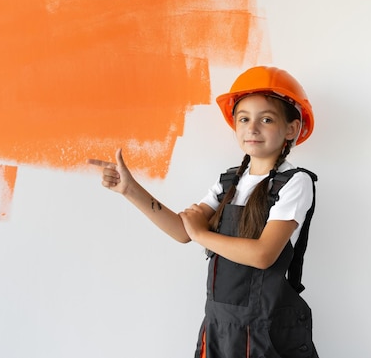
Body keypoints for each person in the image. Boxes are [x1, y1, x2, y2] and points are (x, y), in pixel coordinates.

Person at [88, 66, 319, 358]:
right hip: (219, 327)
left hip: (265, 330)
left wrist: (200, 232)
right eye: (244, 119)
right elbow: (182, 232)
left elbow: (263, 255)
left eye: (267, 119)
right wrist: (130, 189)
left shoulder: (295, 182)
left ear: (292, 129)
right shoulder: (229, 182)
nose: (252, 128)